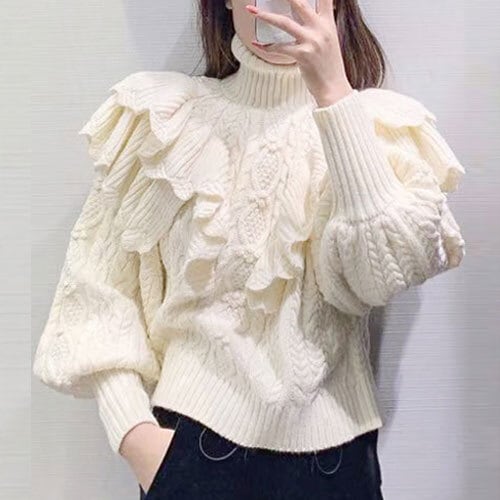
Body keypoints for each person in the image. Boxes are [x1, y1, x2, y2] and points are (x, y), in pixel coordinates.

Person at [32, 0, 466, 498]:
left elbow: (383, 275)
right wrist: (137, 437)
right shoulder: (165, 119)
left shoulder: (380, 128)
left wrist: (334, 95)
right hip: (192, 452)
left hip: (338, 466)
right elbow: (97, 290)